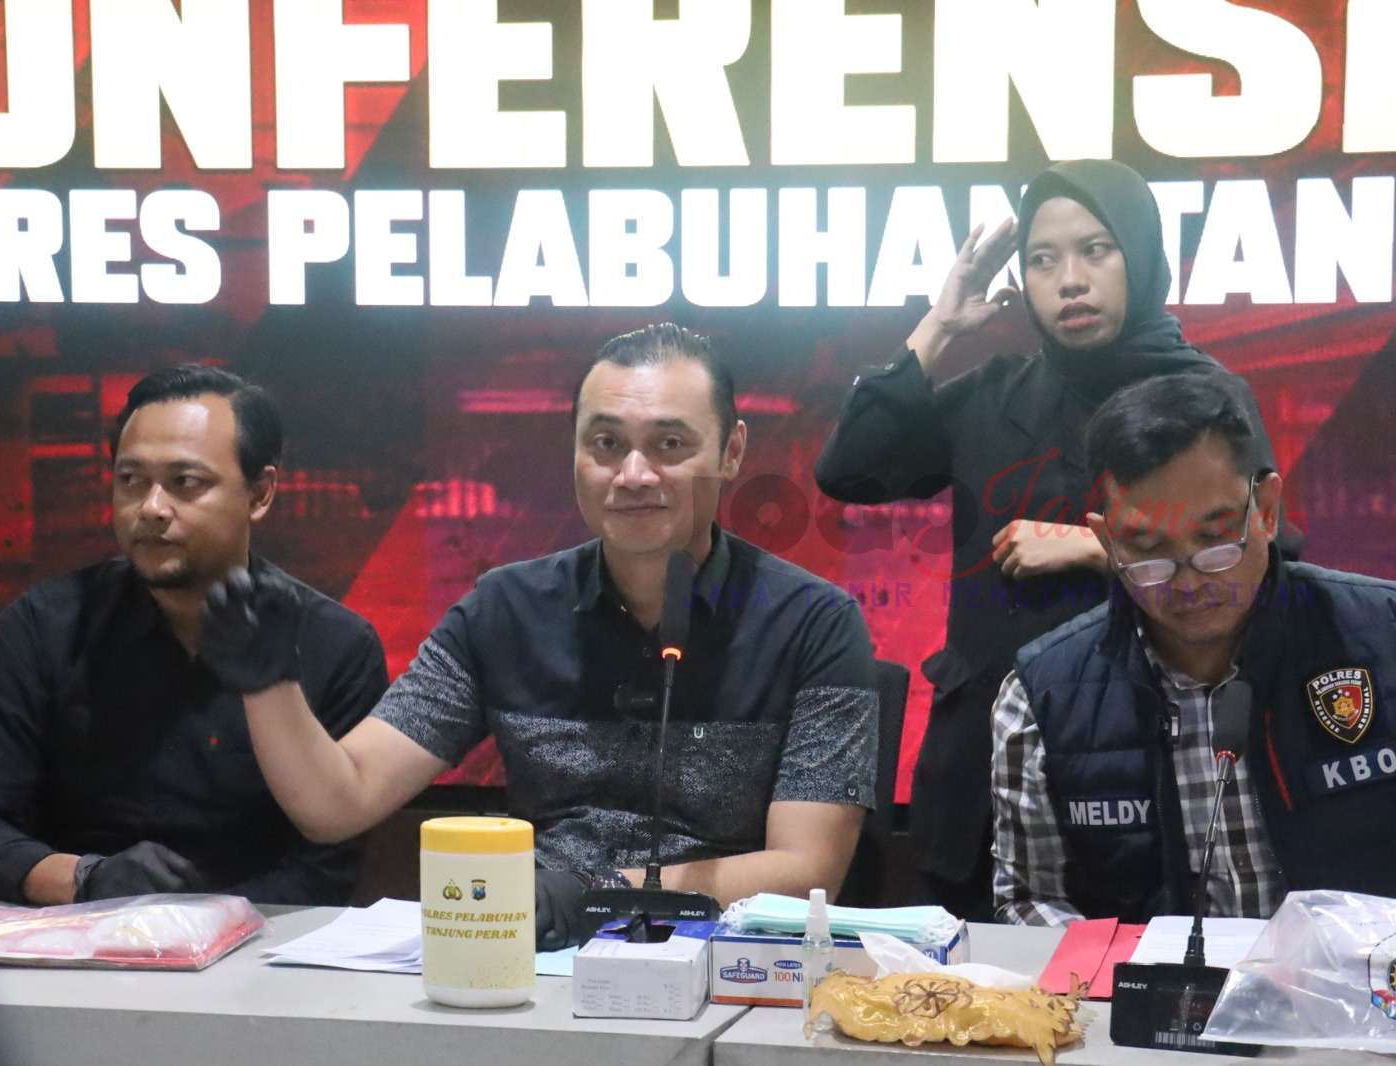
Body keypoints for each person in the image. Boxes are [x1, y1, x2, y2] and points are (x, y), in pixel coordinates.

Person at [203, 323, 880, 948]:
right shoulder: (505, 609)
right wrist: (270, 684)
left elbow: (806, 870)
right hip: (536, 953)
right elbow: (340, 800)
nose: (633, 474)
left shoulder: (812, 622)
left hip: (727, 958)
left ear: (731, 452)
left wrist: (595, 894)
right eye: (606, 444)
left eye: (670, 445)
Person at [813, 159, 1282, 919]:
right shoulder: (996, 395)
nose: (1070, 280)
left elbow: (1269, 563)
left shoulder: (1206, 398)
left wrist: (1101, 549)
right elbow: (849, 469)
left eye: (1096, 250)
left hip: (1156, 765)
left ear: (1140, 253)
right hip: (983, 773)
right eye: (1042, 259)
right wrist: (940, 324)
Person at [0, 365, 387, 906]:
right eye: (130, 480)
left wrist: (199, 923)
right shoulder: (44, 626)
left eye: (185, 483)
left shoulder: (336, 647)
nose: (150, 508)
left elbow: (324, 870)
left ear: (260, 493)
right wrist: (86, 880)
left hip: (263, 942)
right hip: (77, 932)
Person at [993, 373, 1396, 925]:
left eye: (1214, 539)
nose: (1188, 582)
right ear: (1107, 541)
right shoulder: (1041, 697)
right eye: (1146, 548)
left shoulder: (1382, 635)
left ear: (1267, 511)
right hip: (1144, 980)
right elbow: (1028, 898)